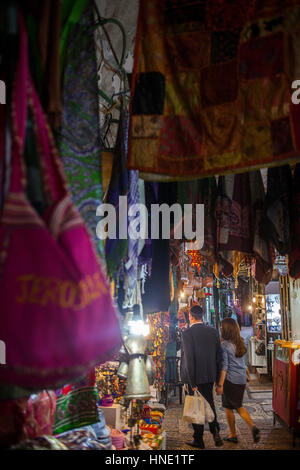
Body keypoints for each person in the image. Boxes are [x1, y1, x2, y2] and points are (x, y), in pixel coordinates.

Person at [181, 305, 223, 449]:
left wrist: (192, 382)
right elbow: (219, 356)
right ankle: (215, 430)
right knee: (209, 403)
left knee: (196, 408)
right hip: (209, 375)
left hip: (195, 378)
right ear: (202, 316)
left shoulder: (187, 334)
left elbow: (189, 359)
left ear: (190, 316)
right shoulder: (212, 331)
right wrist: (217, 379)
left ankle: (198, 439)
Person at [216, 317, 260, 444]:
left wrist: (220, 384)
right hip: (240, 379)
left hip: (231, 380)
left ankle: (252, 427)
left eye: (222, 327)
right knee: (230, 406)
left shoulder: (224, 345)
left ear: (226, 330)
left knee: (236, 407)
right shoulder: (239, 342)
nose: (220, 329)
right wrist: (247, 374)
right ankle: (233, 434)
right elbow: (241, 362)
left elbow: (225, 367)